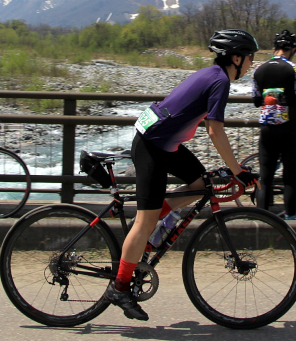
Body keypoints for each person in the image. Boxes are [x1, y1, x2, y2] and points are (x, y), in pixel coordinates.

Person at [104, 29, 262, 321]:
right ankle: (120, 286)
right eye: (251, 58)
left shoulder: (211, 74)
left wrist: (233, 168)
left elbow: (207, 126)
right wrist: (238, 170)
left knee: (201, 186)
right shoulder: (219, 81)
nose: (252, 64)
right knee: (144, 220)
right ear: (237, 58)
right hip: (153, 145)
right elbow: (215, 130)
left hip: (165, 142)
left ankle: (151, 228)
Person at [251, 30, 296, 220]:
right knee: (290, 179)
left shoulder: (258, 69)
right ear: (292, 49)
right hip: (290, 128)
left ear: (275, 48)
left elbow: (255, 100)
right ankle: (290, 221)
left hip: (267, 129)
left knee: (265, 178)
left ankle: (263, 221)